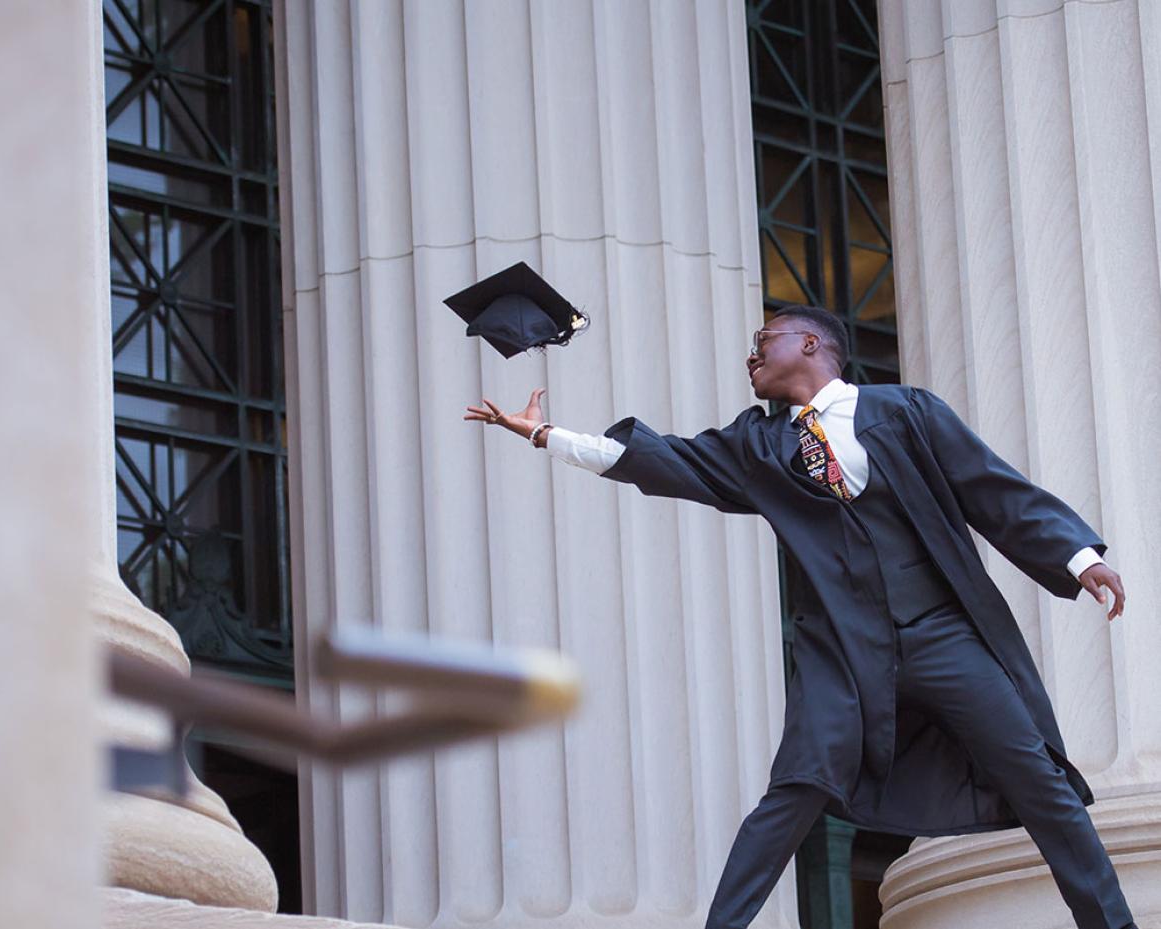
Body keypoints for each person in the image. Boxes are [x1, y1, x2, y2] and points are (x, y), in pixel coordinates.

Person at [464, 306, 1135, 929]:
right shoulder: (759, 446)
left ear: (811, 344)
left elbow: (991, 488)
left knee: (1039, 780)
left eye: (765, 342)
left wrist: (1077, 558)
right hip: (841, 652)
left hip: (941, 633)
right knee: (796, 787)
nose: (752, 356)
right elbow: (666, 459)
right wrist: (548, 436)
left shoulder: (902, 411)